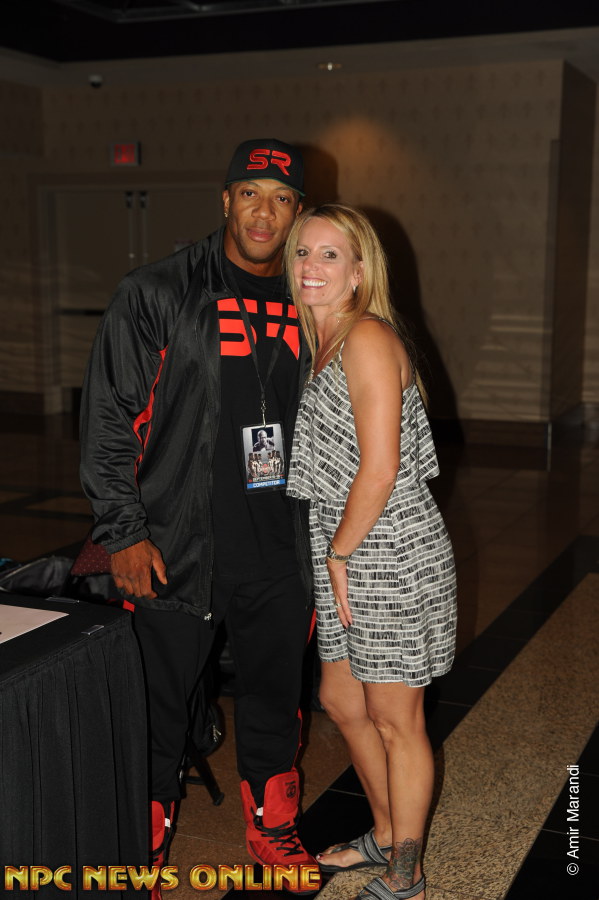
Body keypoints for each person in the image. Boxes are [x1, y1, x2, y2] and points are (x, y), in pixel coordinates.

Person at [79, 138, 319, 894]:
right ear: (225, 200)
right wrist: (124, 534)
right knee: (156, 713)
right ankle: (139, 853)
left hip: (282, 547)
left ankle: (272, 829)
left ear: (299, 211)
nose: (263, 213)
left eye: (281, 198)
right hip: (174, 547)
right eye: (250, 193)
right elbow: (109, 422)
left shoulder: (316, 297)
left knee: (276, 700)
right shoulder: (156, 293)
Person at [285, 204, 457, 900]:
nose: (311, 266)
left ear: (359, 272)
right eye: (303, 252)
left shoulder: (366, 337)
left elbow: (381, 468)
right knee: (341, 698)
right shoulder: (324, 341)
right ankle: (386, 833)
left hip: (386, 548)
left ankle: (406, 874)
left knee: (394, 717)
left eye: (330, 255)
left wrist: (338, 556)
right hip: (347, 540)